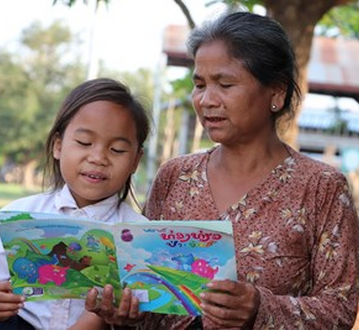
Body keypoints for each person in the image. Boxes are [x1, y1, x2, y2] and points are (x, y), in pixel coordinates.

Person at [84, 11, 359, 330]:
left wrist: (259, 308)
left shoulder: (321, 188)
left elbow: (340, 308)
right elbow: (147, 290)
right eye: (199, 84)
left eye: (225, 84)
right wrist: (126, 312)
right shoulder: (175, 176)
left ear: (276, 92)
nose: (206, 100)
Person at [0, 77, 151, 330]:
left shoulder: (140, 236)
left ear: (136, 160)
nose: (98, 158)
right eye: (84, 143)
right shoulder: (18, 217)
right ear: (58, 146)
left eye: (116, 149)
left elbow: (142, 313)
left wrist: (115, 316)